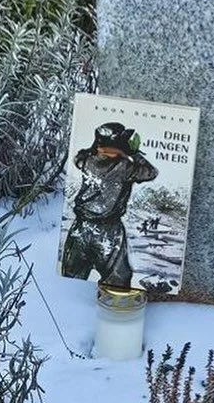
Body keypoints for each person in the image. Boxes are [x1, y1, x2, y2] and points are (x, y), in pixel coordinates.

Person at [61, 122, 157, 287]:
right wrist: (132, 153)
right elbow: (151, 172)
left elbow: (78, 158)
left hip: (80, 227)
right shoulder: (126, 167)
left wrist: (95, 149)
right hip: (109, 230)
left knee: (71, 278)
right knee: (117, 280)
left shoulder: (87, 161)